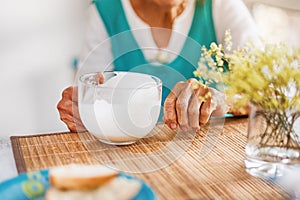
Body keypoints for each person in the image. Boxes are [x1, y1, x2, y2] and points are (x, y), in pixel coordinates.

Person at [57, 0, 261, 132]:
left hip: (212, 160)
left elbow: (273, 96)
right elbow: (89, 98)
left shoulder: (222, 7)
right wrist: (83, 112)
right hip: (132, 158)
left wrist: (219, 100)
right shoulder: (105, 11)